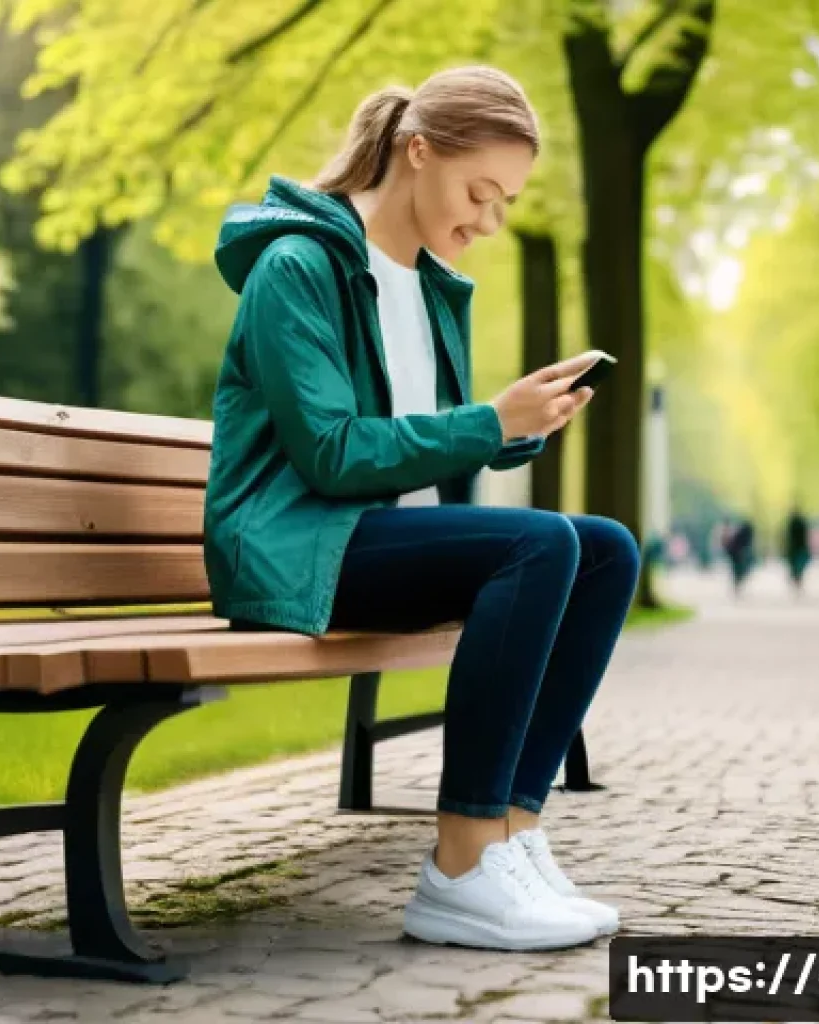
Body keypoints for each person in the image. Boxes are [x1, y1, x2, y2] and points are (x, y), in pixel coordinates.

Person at [203, 65, 640, 953]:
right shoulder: (298, 266)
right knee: (538, 547)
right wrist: (486, 422)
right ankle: (462, 863)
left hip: (373, 535)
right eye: (481, 192)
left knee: (605, 549)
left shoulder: (429, 288)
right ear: (416, 152)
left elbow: (415, 436)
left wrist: (517, 428)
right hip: (297, 543)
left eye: (506, 202)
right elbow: (329, 451)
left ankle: (513, 832)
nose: (487, 220)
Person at [784, 506, 811, 592]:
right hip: (800, 547)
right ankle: (798, 579)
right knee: (799, 565)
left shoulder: (791, 523)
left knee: (795, 565)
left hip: (794, 547)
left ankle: (797, 579)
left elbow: (788, 536)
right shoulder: (801, 523)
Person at [725, 517, 755, 596]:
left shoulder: (737, 533)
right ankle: (737, 586)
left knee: (737, 571)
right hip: (737, 554)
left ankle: (737, 586)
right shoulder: (741, 535)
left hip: (736, 554)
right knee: (738, 571)